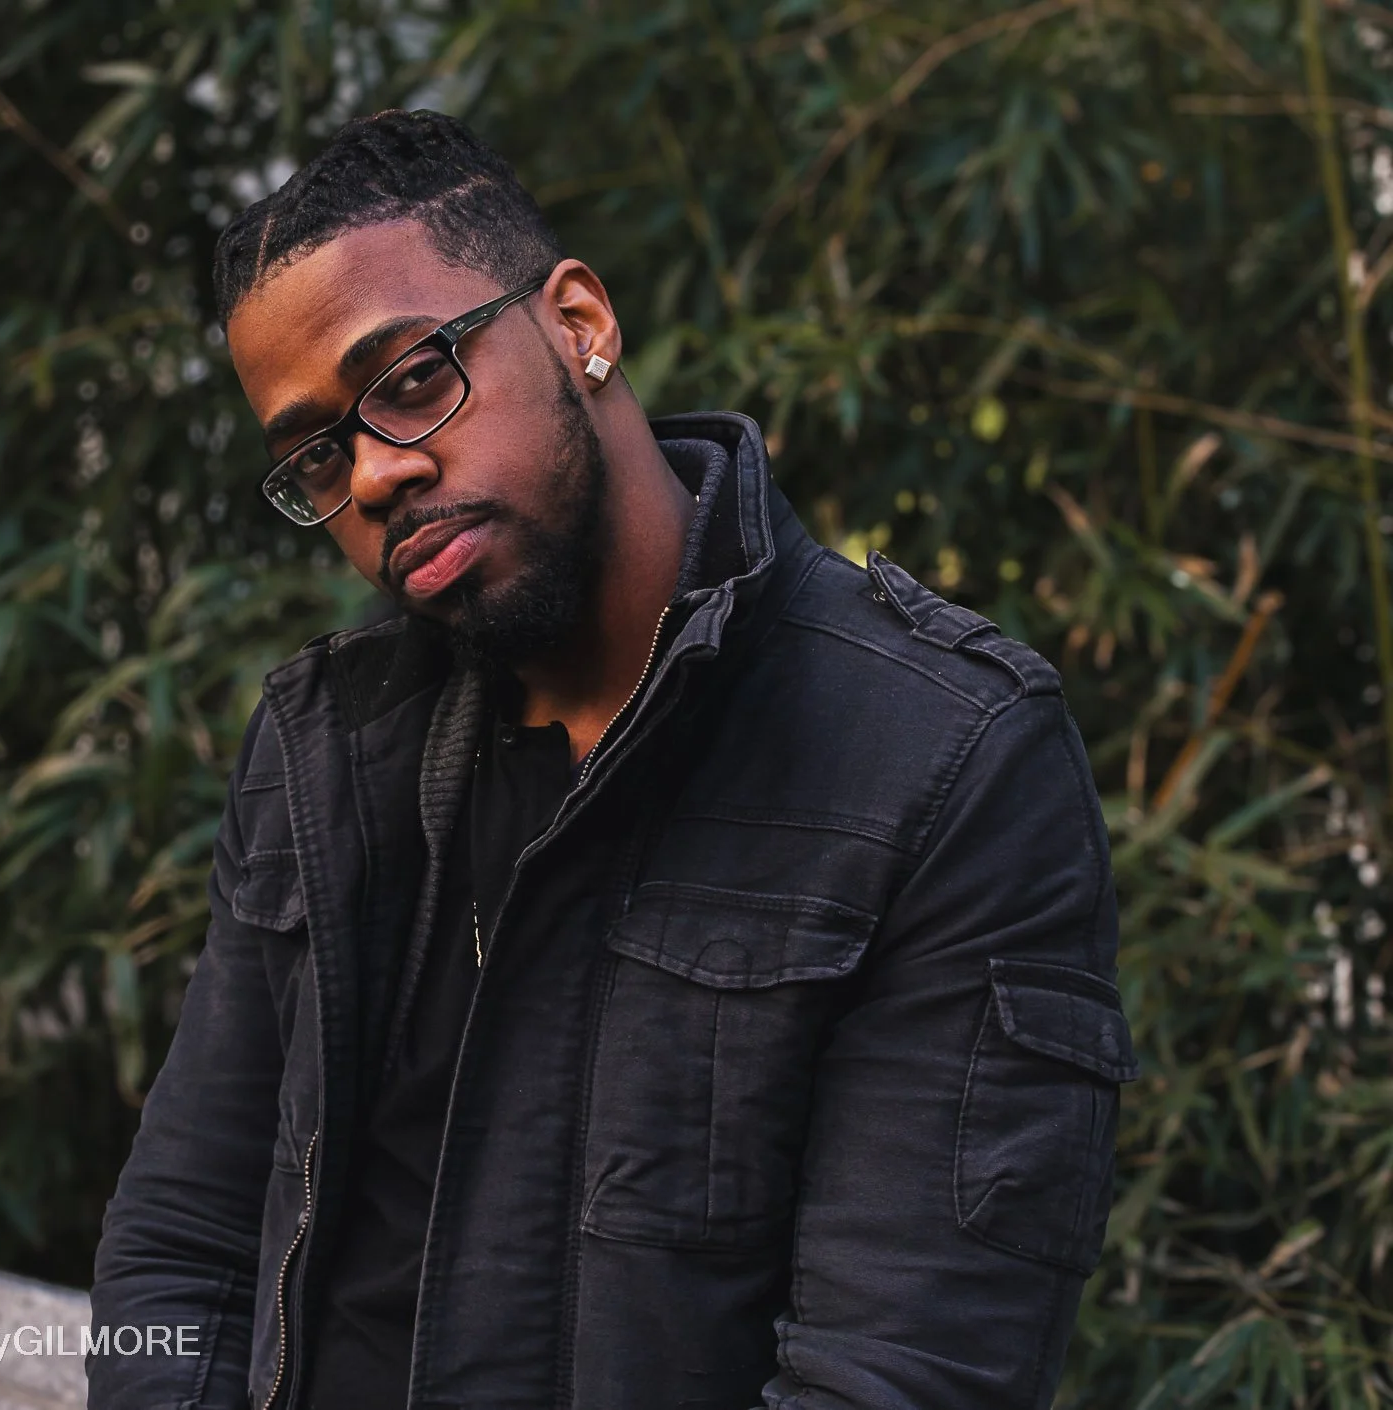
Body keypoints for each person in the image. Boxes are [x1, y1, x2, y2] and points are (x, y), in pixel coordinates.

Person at [86, 108, 1137, 1410]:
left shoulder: (943, 759)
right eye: (315, 451)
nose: (372, 475)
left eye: (412, 379)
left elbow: (901, 1371)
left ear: (578, 322)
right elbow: (180, 1251)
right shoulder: (327, 750)